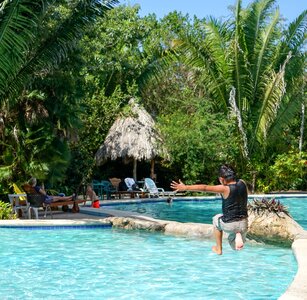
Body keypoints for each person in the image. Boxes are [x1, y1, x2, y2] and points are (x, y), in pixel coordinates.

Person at [170, 164, 248, 255]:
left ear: (221, 179)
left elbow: (205, 188)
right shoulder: (243, 183)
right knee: (235, 246)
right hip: (244, 223)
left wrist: (185, 187)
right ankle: (238, 234)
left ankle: (219, 249)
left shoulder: (224, 189)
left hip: (230, 224)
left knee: (216, 219)